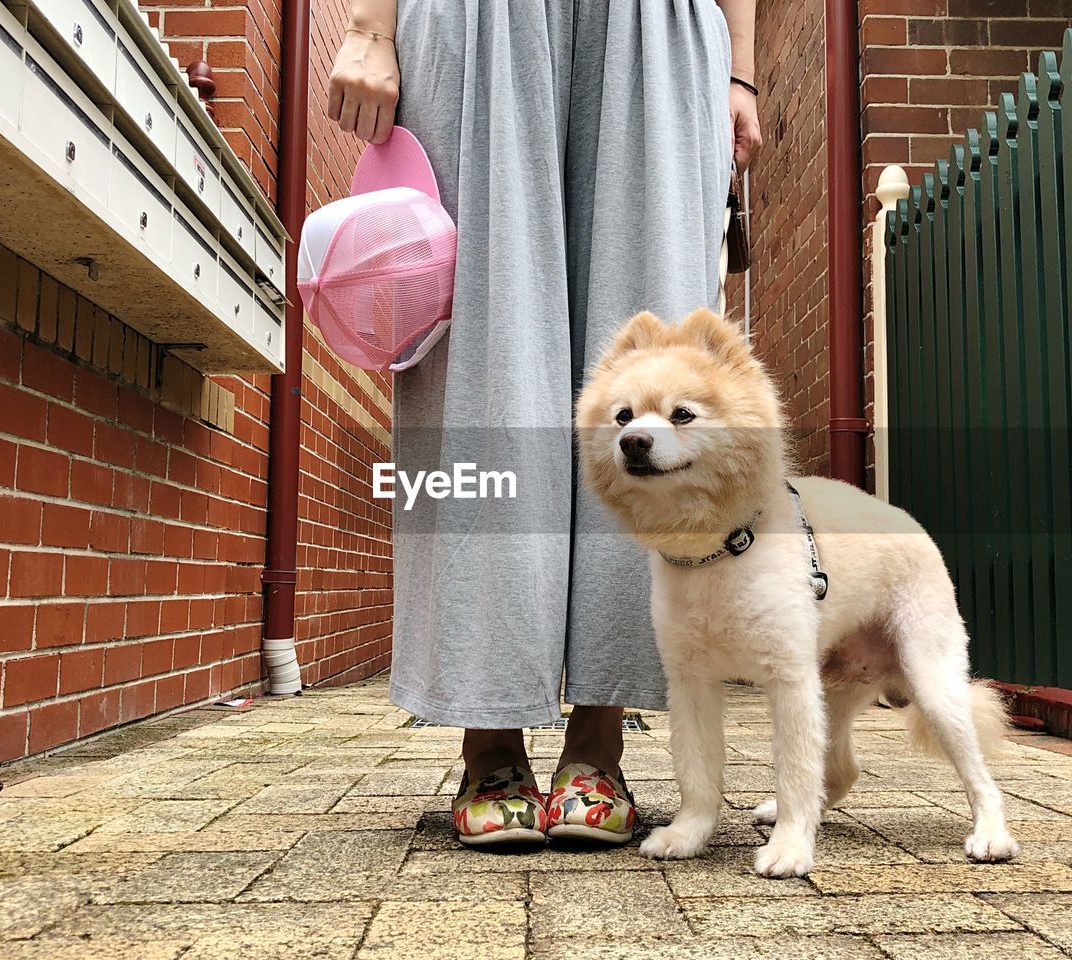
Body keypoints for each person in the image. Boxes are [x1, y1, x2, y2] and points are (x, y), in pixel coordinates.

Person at [326, 0, 761, 847]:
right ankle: (488, 740)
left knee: (648, 369)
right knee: (480, 359)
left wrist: (740, 67)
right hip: (478, 19)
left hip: (661, 25)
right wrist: (373, 24)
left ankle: (600, 740)